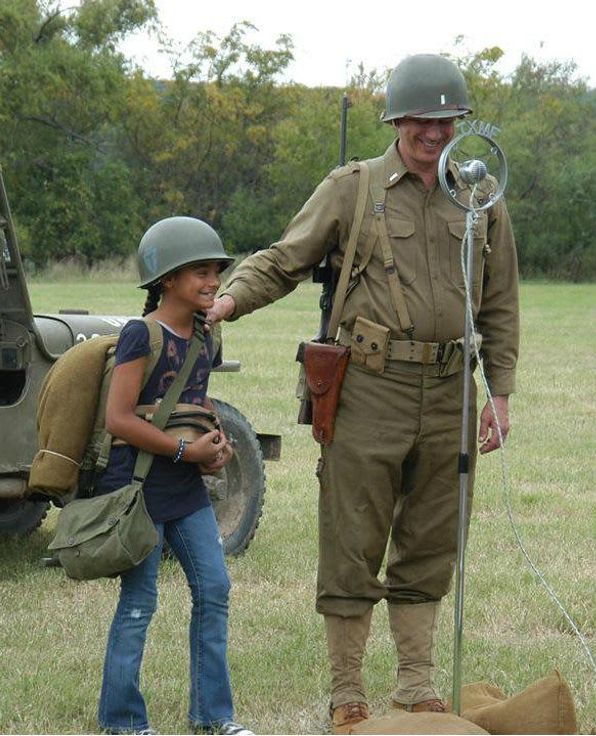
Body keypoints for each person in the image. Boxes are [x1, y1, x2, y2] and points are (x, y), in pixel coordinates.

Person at [207, 54, 519, 733]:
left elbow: (500, 301)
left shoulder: (479, 195)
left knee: (432, 538)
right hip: (370, 387)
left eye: (444, 121)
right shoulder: (353, 188)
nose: (432, 134)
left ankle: (416, 684)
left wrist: (501, 391)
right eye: (419, 120)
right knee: (352, 538)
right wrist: (228, 299)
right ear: (396, 120)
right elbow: (284, 258)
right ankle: (346, 690)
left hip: (450, 390)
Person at [95, 216, 253, 736]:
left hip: (185, 488)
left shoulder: (207, 336)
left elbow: (197, 400)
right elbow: (118, 419)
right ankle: (122, 722)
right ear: (166, 279)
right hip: (137, 485)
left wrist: (217, 445)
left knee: (214, 587)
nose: (213, 282)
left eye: (217, 271)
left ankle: (213, 716)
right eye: (201, 272)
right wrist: (186, 450)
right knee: (139, 603)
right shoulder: (142, 334)